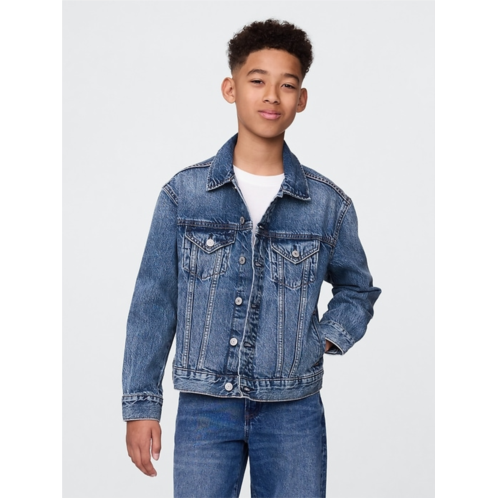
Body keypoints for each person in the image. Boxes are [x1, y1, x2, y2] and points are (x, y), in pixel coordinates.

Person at [122, 19, 381, 498]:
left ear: (302, 99)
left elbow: (358, 289)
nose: (272, 96)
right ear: (231, 88)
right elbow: (153, 302)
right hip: (204, 407)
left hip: (293, 409)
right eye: (257, 80)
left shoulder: (329, 205)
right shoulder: (184, 195)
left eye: (288, 85)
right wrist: (141, 405)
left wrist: (322, 340)